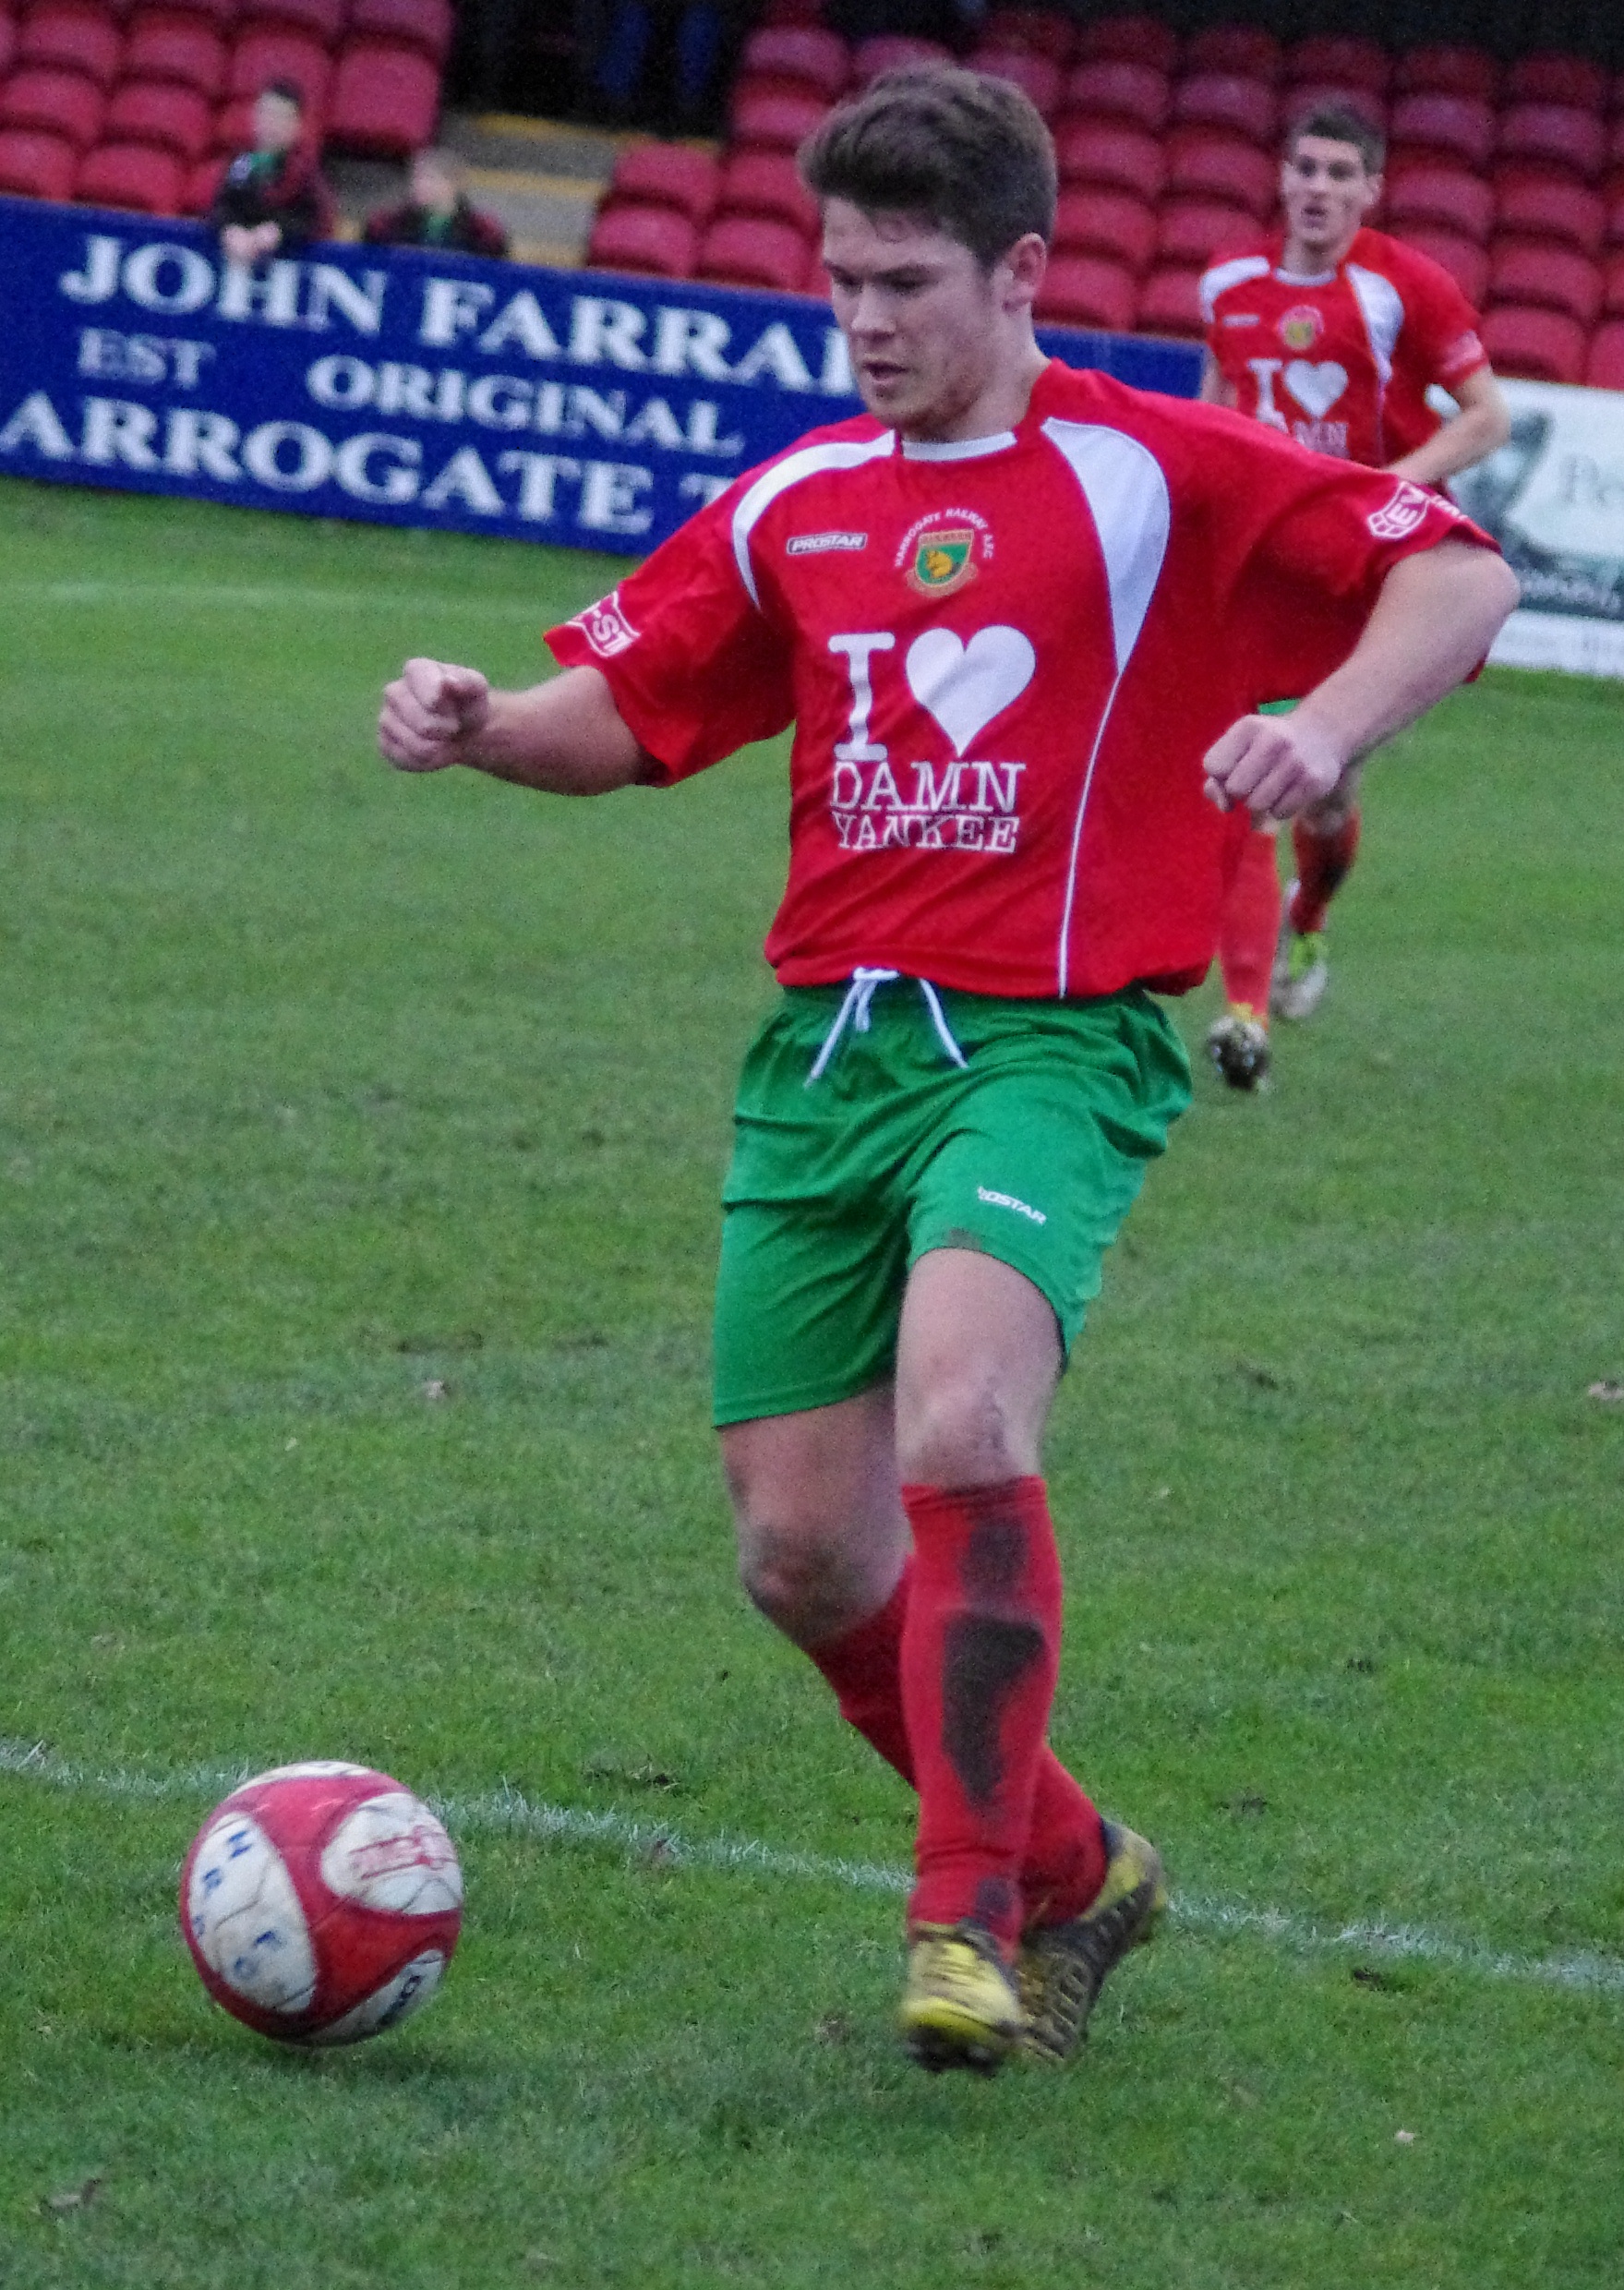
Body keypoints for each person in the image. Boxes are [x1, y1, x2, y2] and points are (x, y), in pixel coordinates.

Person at [378, 68, 1515, 2076]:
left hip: (1051, 1040)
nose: (866, 320)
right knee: (798, 1548)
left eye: (906, 281)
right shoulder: (803, 497)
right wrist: (479, 725)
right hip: (821, 1053)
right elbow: (628, 712)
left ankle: (966, 1913)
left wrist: (1326, 728)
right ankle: (1082, 1865)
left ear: (1021, 271)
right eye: (841, 284)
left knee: (967, 1416)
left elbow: (1457, 574)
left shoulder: (1158, 469)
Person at [1197, 101, 1511, 1091]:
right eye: (1305, 169)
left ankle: (1310, 920)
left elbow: (1487, 417)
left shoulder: (1401, 285)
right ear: (1281, 179)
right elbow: (1217, 404)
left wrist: (1385, 486)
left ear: (1370, 190)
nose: (1319, 189)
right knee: (1252, 780)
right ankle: (1244, 1016)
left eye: (1340, 174)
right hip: (1264, 568)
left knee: (1325, 794)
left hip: (1372, 574)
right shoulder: (1226, 282)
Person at [209, 79, 334, 267]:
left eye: (281, 117)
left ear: (297, 125)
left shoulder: (306, 171)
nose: (271, 124)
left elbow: (316, 221)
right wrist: (229, 229)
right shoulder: (241, 163)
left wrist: (279, 231)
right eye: (267, 113)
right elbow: (221, 206)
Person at [364, 148, 511, 259]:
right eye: (416, 178)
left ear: (455, 183)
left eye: (430, 179)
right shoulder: (385, 224)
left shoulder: (484, 232)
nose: (419, 185)